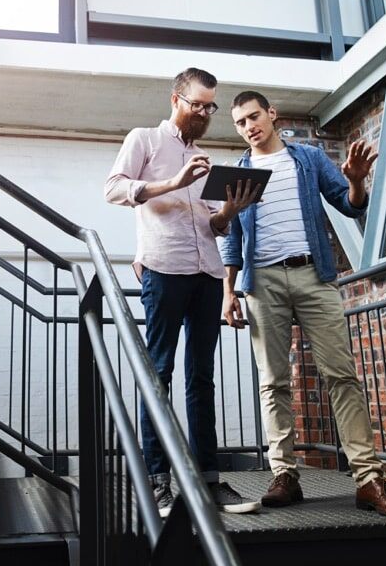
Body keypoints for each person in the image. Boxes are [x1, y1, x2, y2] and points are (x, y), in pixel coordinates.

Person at [219, 90, 386, 519]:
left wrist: (358, 179)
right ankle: (284, 475)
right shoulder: (239, 171)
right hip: (262, 282)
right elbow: (232, 238)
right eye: (240, 122)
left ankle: (368, 480)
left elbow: (349, 206)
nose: (249, 127)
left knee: (342, 376)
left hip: (314, 276)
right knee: (273, 382)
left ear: (271, 115)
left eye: (254, 117)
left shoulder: (307, 159)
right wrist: (228, 291)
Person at [105, 68, 261, 516]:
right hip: (164, 268)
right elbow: (113, 189)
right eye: (199, 105)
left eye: (211, 107)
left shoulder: (205, 155)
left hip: (208, 272)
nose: (205, 114)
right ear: (176, 99)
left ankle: (208, 482)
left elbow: (215, 224)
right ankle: (158, 483)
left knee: (201, 378)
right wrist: (173, 183)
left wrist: (230, 207)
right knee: (159, 376)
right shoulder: (145, 140)